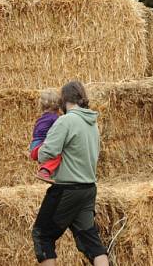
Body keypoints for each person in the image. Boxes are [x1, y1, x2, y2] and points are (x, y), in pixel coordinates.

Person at [31, 81, 109, 266]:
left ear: (64, 100)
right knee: (92, 242)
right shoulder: (93, 124)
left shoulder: (65, 121)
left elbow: (47, 152)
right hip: (88, 188)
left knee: (42, 236)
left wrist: (37, 151)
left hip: (67, 190)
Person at [29, 90, 62, 183]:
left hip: (34, 146)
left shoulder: (43, 117)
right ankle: (44, 172)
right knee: (59, 154)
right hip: (39, 147)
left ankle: (46, 168)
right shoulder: (55, 118)